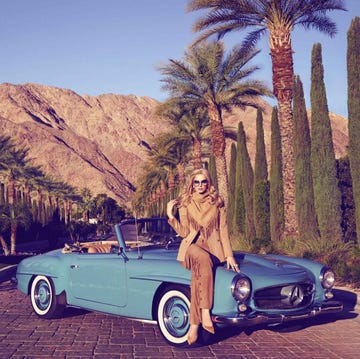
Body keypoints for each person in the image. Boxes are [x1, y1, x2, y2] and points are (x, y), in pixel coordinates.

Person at [167, 168, 240, 345]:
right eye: (196, 182)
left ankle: (193, 324)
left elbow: (223, 231)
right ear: (192, 184)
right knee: (202, 258)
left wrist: (229, 255)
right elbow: (185, 232)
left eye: (203, 182)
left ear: (209, 183)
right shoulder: (185, 203)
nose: (200, 185)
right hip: (192, 247)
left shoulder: (217, 202)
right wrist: (171, 215)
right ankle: (205, 310)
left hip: (213, 249)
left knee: (197, 277)